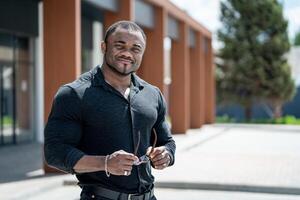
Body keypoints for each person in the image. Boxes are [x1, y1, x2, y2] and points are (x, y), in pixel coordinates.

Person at [44, 20, 176, 200]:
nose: (127, 53)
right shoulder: (74, 94)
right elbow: (55, 152)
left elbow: (167, 141)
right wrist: (105, 162)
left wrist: (166, 155)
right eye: (120, 45)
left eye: (135, 49)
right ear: (104, 47)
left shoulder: (153, 94)